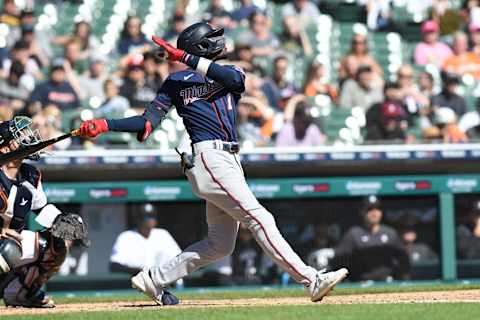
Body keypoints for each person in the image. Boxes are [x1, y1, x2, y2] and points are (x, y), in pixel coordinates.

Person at [79, 22, 348, 305]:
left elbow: (236, 82)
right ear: (201, 46)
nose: (220, 40)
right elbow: (146, 124)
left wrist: (184, 58)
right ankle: (311, 280)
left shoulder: (230, 72)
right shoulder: (175, 83)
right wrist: (104, 124)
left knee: (221, 244)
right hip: (208, 157)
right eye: (212, 38)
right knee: (260, 218)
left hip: (229, 159)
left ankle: (154, 279)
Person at [0, 116, 89, 307]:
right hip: (3, 245)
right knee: (6, 250)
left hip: (11, 243)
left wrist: (63, 221)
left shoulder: (30, 175)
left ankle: (20, 294)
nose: (27, 137)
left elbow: (42, 208)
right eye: (19, 136)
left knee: (52, 245)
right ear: (5, 147)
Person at [332, 195, 410, 282]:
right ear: (362, 212)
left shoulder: (390, 233)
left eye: (377, 209)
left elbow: (403, 258)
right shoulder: (353, 234)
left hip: (387, 280)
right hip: (361, 281)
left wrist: (403, 277)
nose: (374, 212)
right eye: (370, 209)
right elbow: (339, 259)